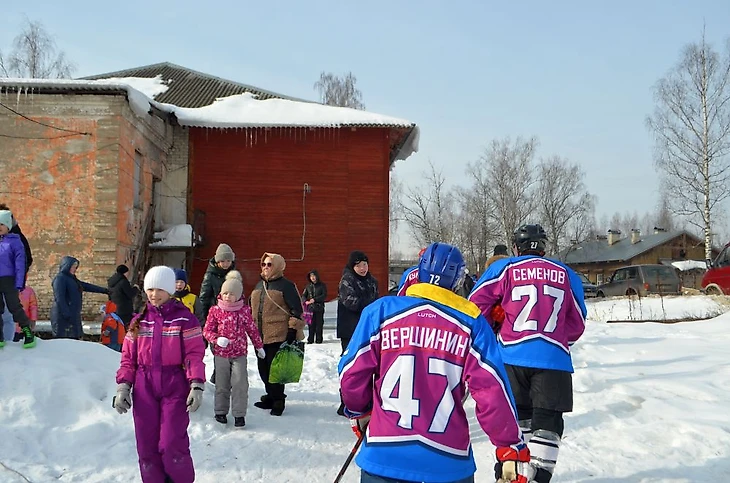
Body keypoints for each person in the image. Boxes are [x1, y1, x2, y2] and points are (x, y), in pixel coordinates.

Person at [338, 242, 531, 483]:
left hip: (385, 456)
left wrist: (360, 410)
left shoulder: (381, 311)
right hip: (447, 460)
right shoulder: (470, 323)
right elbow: (492, 389)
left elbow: (351, 372)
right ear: (457, 280)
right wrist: (509, 444)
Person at [468, 225, 587, 483]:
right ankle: (537, 476)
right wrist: (556, 338)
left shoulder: (505, 268)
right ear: (544, 247)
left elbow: (475, 305)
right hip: (552, 359)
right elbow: (577, 322)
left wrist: (494, 328)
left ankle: (510, 471)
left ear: (516, 247)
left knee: (514, 426)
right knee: (548, 426)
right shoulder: (565, 273)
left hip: (510, 357)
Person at [114, 265, 206, 483]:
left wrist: (196, 384)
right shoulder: (138, 321)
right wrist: (123, 386)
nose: (154, 295)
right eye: (150, 289)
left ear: (169, 290)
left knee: (171, 443)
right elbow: (128, 358)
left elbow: (194, 353)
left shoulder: (185, 319)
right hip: (144, 388)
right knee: (146, 446)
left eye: (159, 290)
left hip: (174, 384)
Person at [203, 270, 266, 428]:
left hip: (239, 354)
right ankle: (220, 411)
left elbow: (252, 329)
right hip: (221, 354)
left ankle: (239, 414)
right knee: (222, 384)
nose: (227, 296)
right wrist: (217, 339)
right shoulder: (215, 311)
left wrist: (259, 346)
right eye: (225, 293)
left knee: (240, 383)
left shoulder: (244, 311)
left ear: (238, 295)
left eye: (231, 294)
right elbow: (207, 331)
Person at [250, 252, 304, 416]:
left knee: (276, 370)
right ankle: (270, 395)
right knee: (263, 369)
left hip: (278, 334)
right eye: (264, 264)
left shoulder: (286, 286)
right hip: (260, 336)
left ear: (279, 266)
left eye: (269, 264)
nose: (266, 267)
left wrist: (292, 329)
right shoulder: (259, 285)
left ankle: (278, 400)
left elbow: (297, 309)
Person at [336, 250, 379, 416]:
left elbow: (377, 301)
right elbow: (351, 302)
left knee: (368, 366)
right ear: (352, 266)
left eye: (365, 264)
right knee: (351, 366)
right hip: (351, 329)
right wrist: (372, 305)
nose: (363, 268)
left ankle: (366, 400)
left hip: (368, 329)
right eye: (359, 265)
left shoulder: (372, 281)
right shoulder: (347, 280)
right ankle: (346, 401)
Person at [0, 210, 36, 349]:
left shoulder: (15, 242)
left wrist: (19, 282)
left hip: (9, 279)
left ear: (8, 225)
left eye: (2, 224)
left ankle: (27, 332)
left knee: (14, 307)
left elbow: (20, 263)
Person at [51, 256, 109, 339]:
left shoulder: (73, 279)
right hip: (62, 316)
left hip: (73, 314)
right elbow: (59, 298)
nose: (74, 269)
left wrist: (104, 290)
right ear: (66, 266)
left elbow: (86, 286)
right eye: (72, 267)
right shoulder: (60, 279)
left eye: (75, 267)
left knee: (75, 338)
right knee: (64, 340)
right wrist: (66, 314)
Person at [197, 243, 236, 325]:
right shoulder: (210, 276)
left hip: (232, 315)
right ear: (217, 261)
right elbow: (204, 298)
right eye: (222, 261)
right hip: (215, 315)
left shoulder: (234, 275)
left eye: (228, 261)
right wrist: (203, 321)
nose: (225, 264)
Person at [108, 264, 139, 328]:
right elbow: (130, 294)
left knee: (118, 328)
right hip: (124, 310)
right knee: (126, 327)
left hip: (114, 309)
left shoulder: (111, 282)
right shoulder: (123, 281)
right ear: (125, 273)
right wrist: (136, 288)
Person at [302, 270, 327, 344]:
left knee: (319, 324)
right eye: (311, 276)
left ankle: (319, 339)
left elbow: (324, 295)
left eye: (314, 276)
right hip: (310, 308)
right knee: (311, 325)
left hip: (319, 307)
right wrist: (305, 301)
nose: (312, 278)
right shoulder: (308, 286)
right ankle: (310, 339)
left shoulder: (322, 285)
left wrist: (315, 300)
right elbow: (303, 295)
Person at [12, 276, 38, 342]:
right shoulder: (7, 291)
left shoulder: (29, 291)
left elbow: (33, 306)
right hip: (10, 326)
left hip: (24, 325)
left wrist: (33, 319)